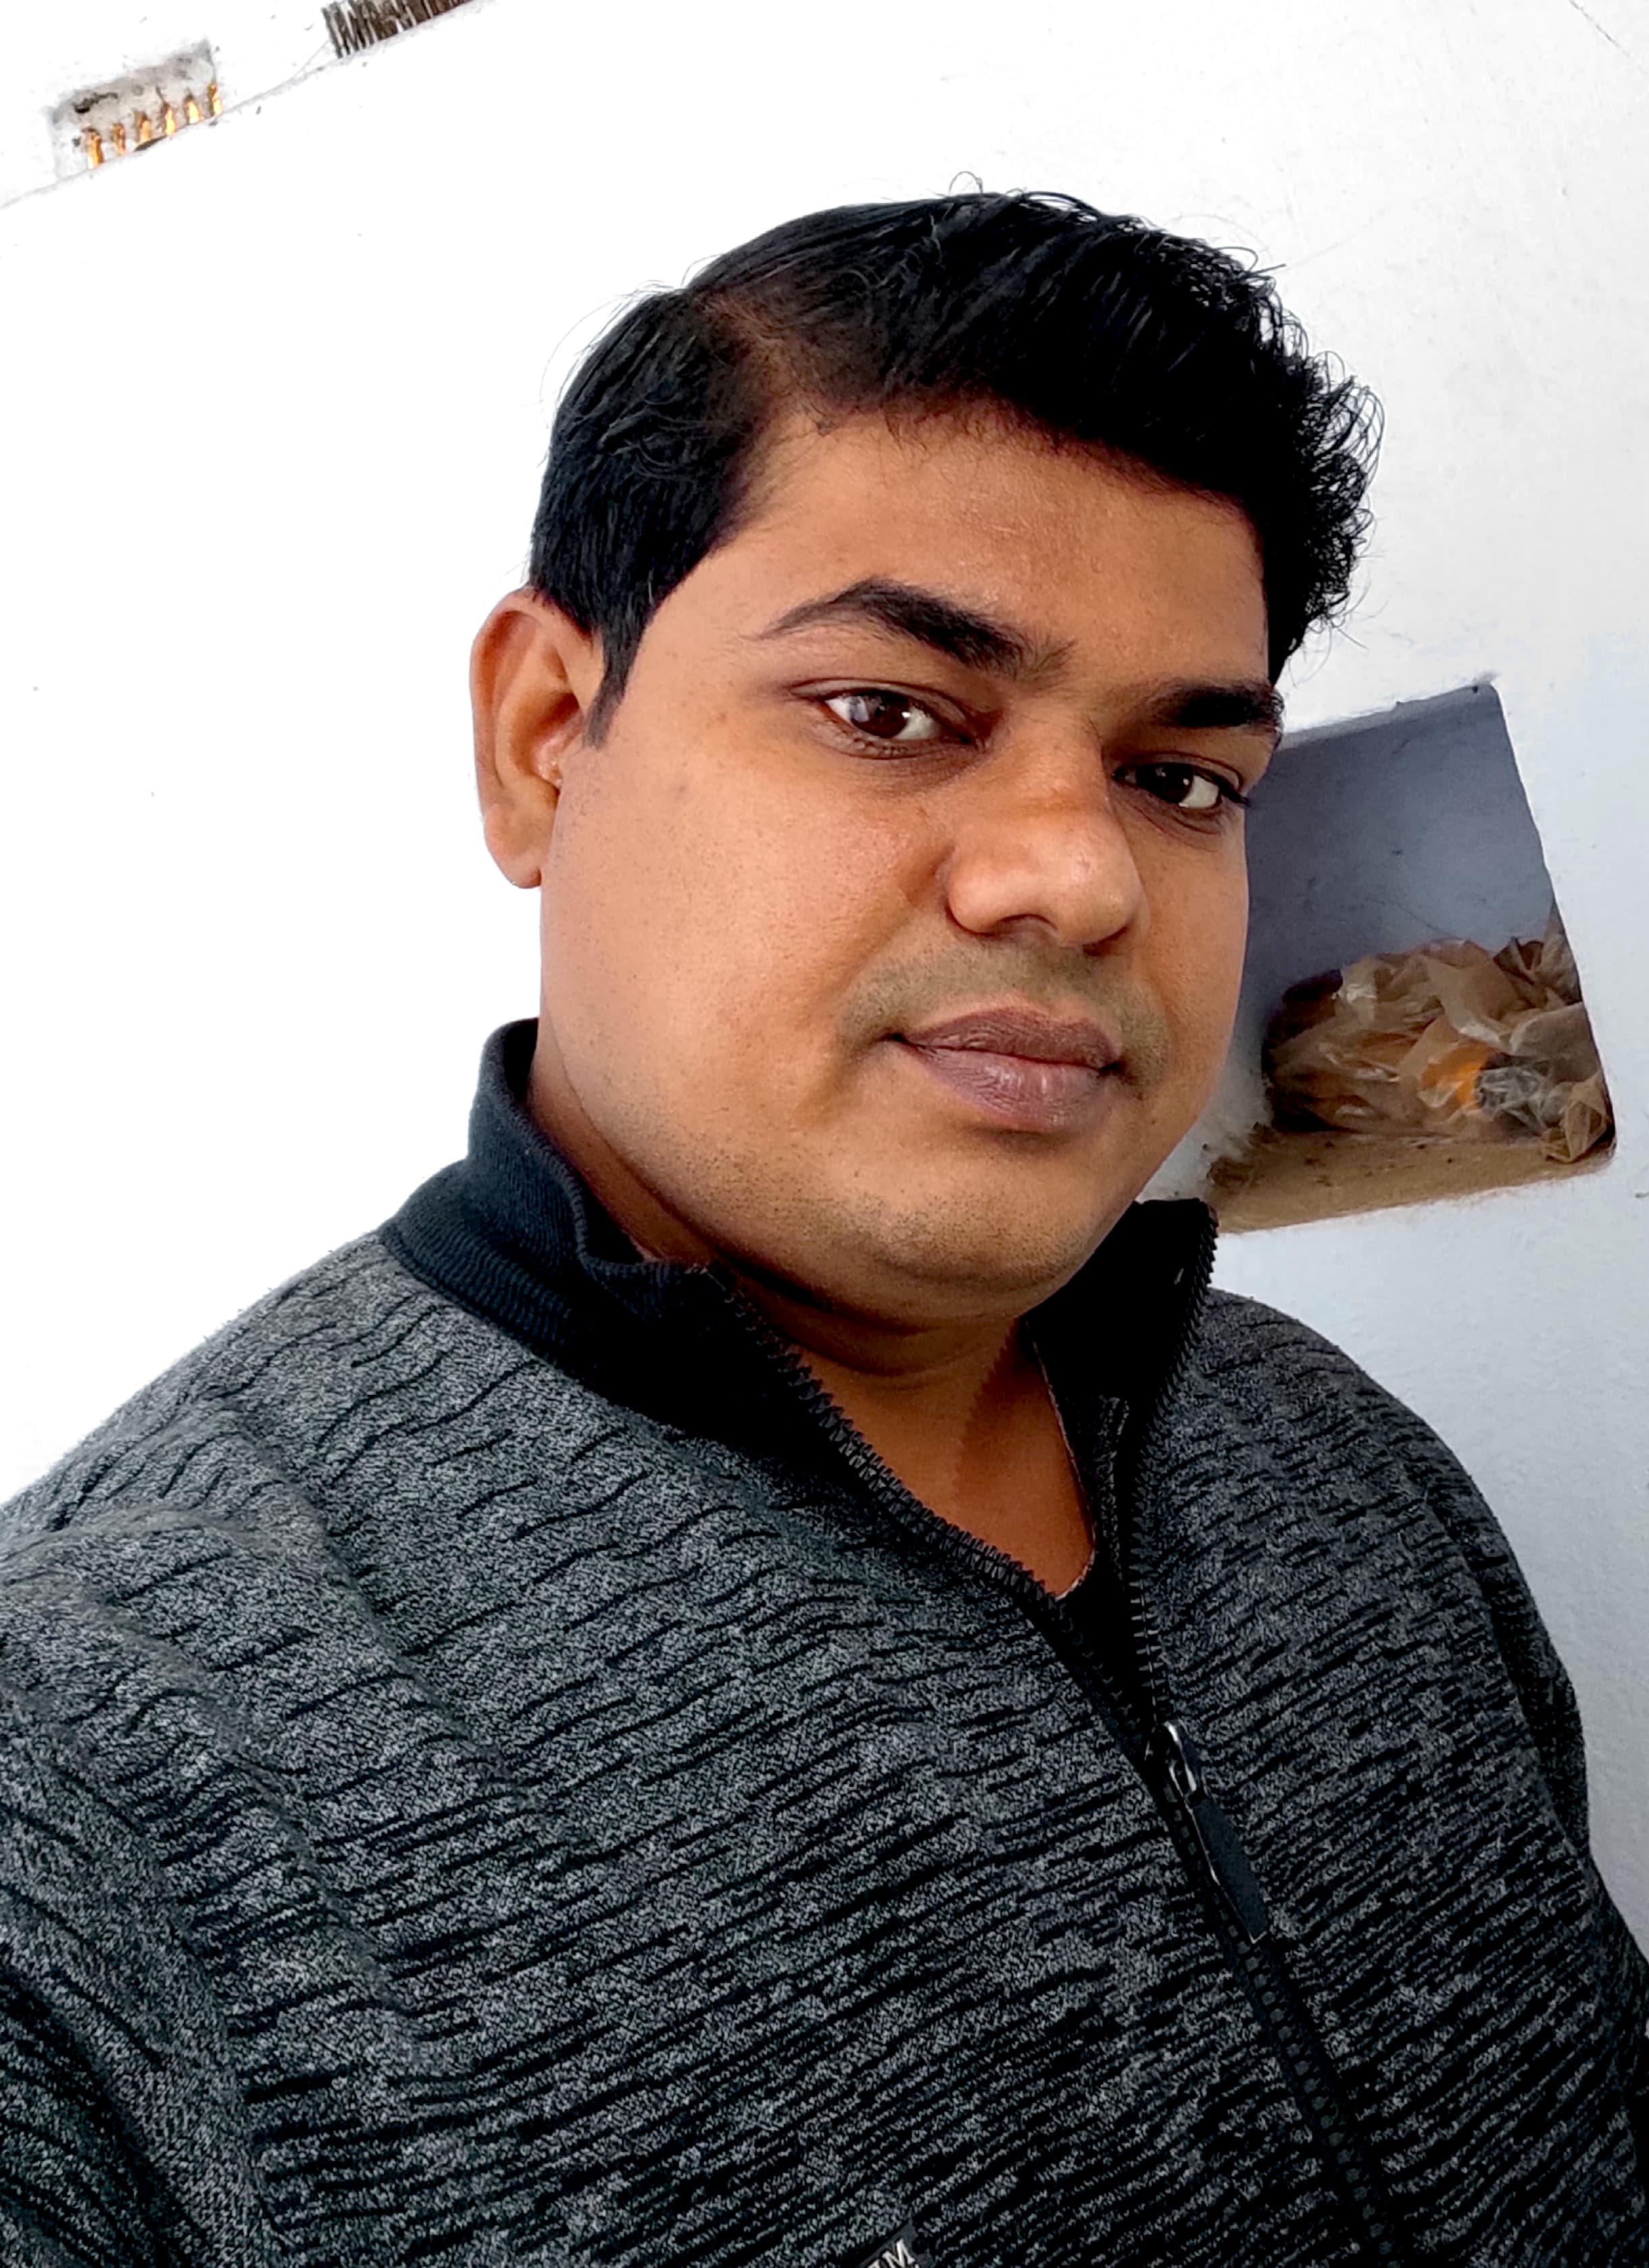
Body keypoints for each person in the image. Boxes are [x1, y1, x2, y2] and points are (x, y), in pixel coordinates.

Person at [0, 189, 1643, 2268]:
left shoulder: (1328, 1450)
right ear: (544, 739)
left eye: (1180, 777)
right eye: (889, 709)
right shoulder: (92, 1768)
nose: (1078, 877)